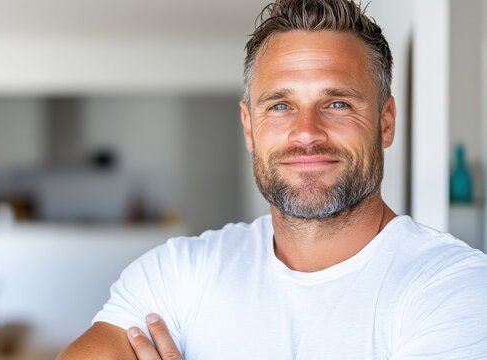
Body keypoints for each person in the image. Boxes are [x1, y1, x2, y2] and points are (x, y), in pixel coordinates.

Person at [57, 0, 487, 359]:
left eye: (337, 103)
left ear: (385, 121)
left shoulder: (451, 286)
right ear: (249, 126)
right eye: (280, 106)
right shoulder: (180, 272)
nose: (306, 133)